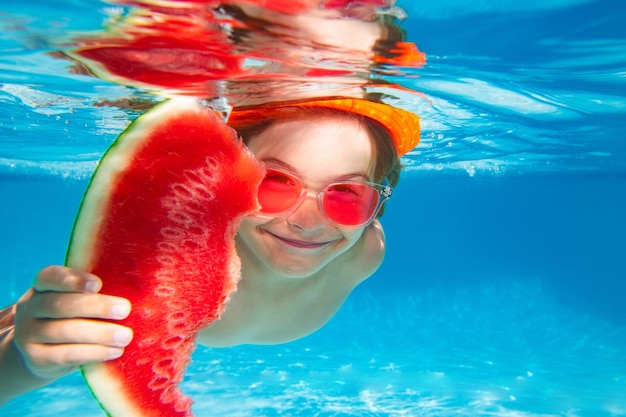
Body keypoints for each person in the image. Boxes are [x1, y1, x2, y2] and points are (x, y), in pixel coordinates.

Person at [0, 97, 420, 405]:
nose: (308, 222)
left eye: (348, 194)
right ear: (222, 179)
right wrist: (24, 359)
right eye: (274, 182)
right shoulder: (166, 258)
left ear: (379, 203)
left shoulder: (365, 252)